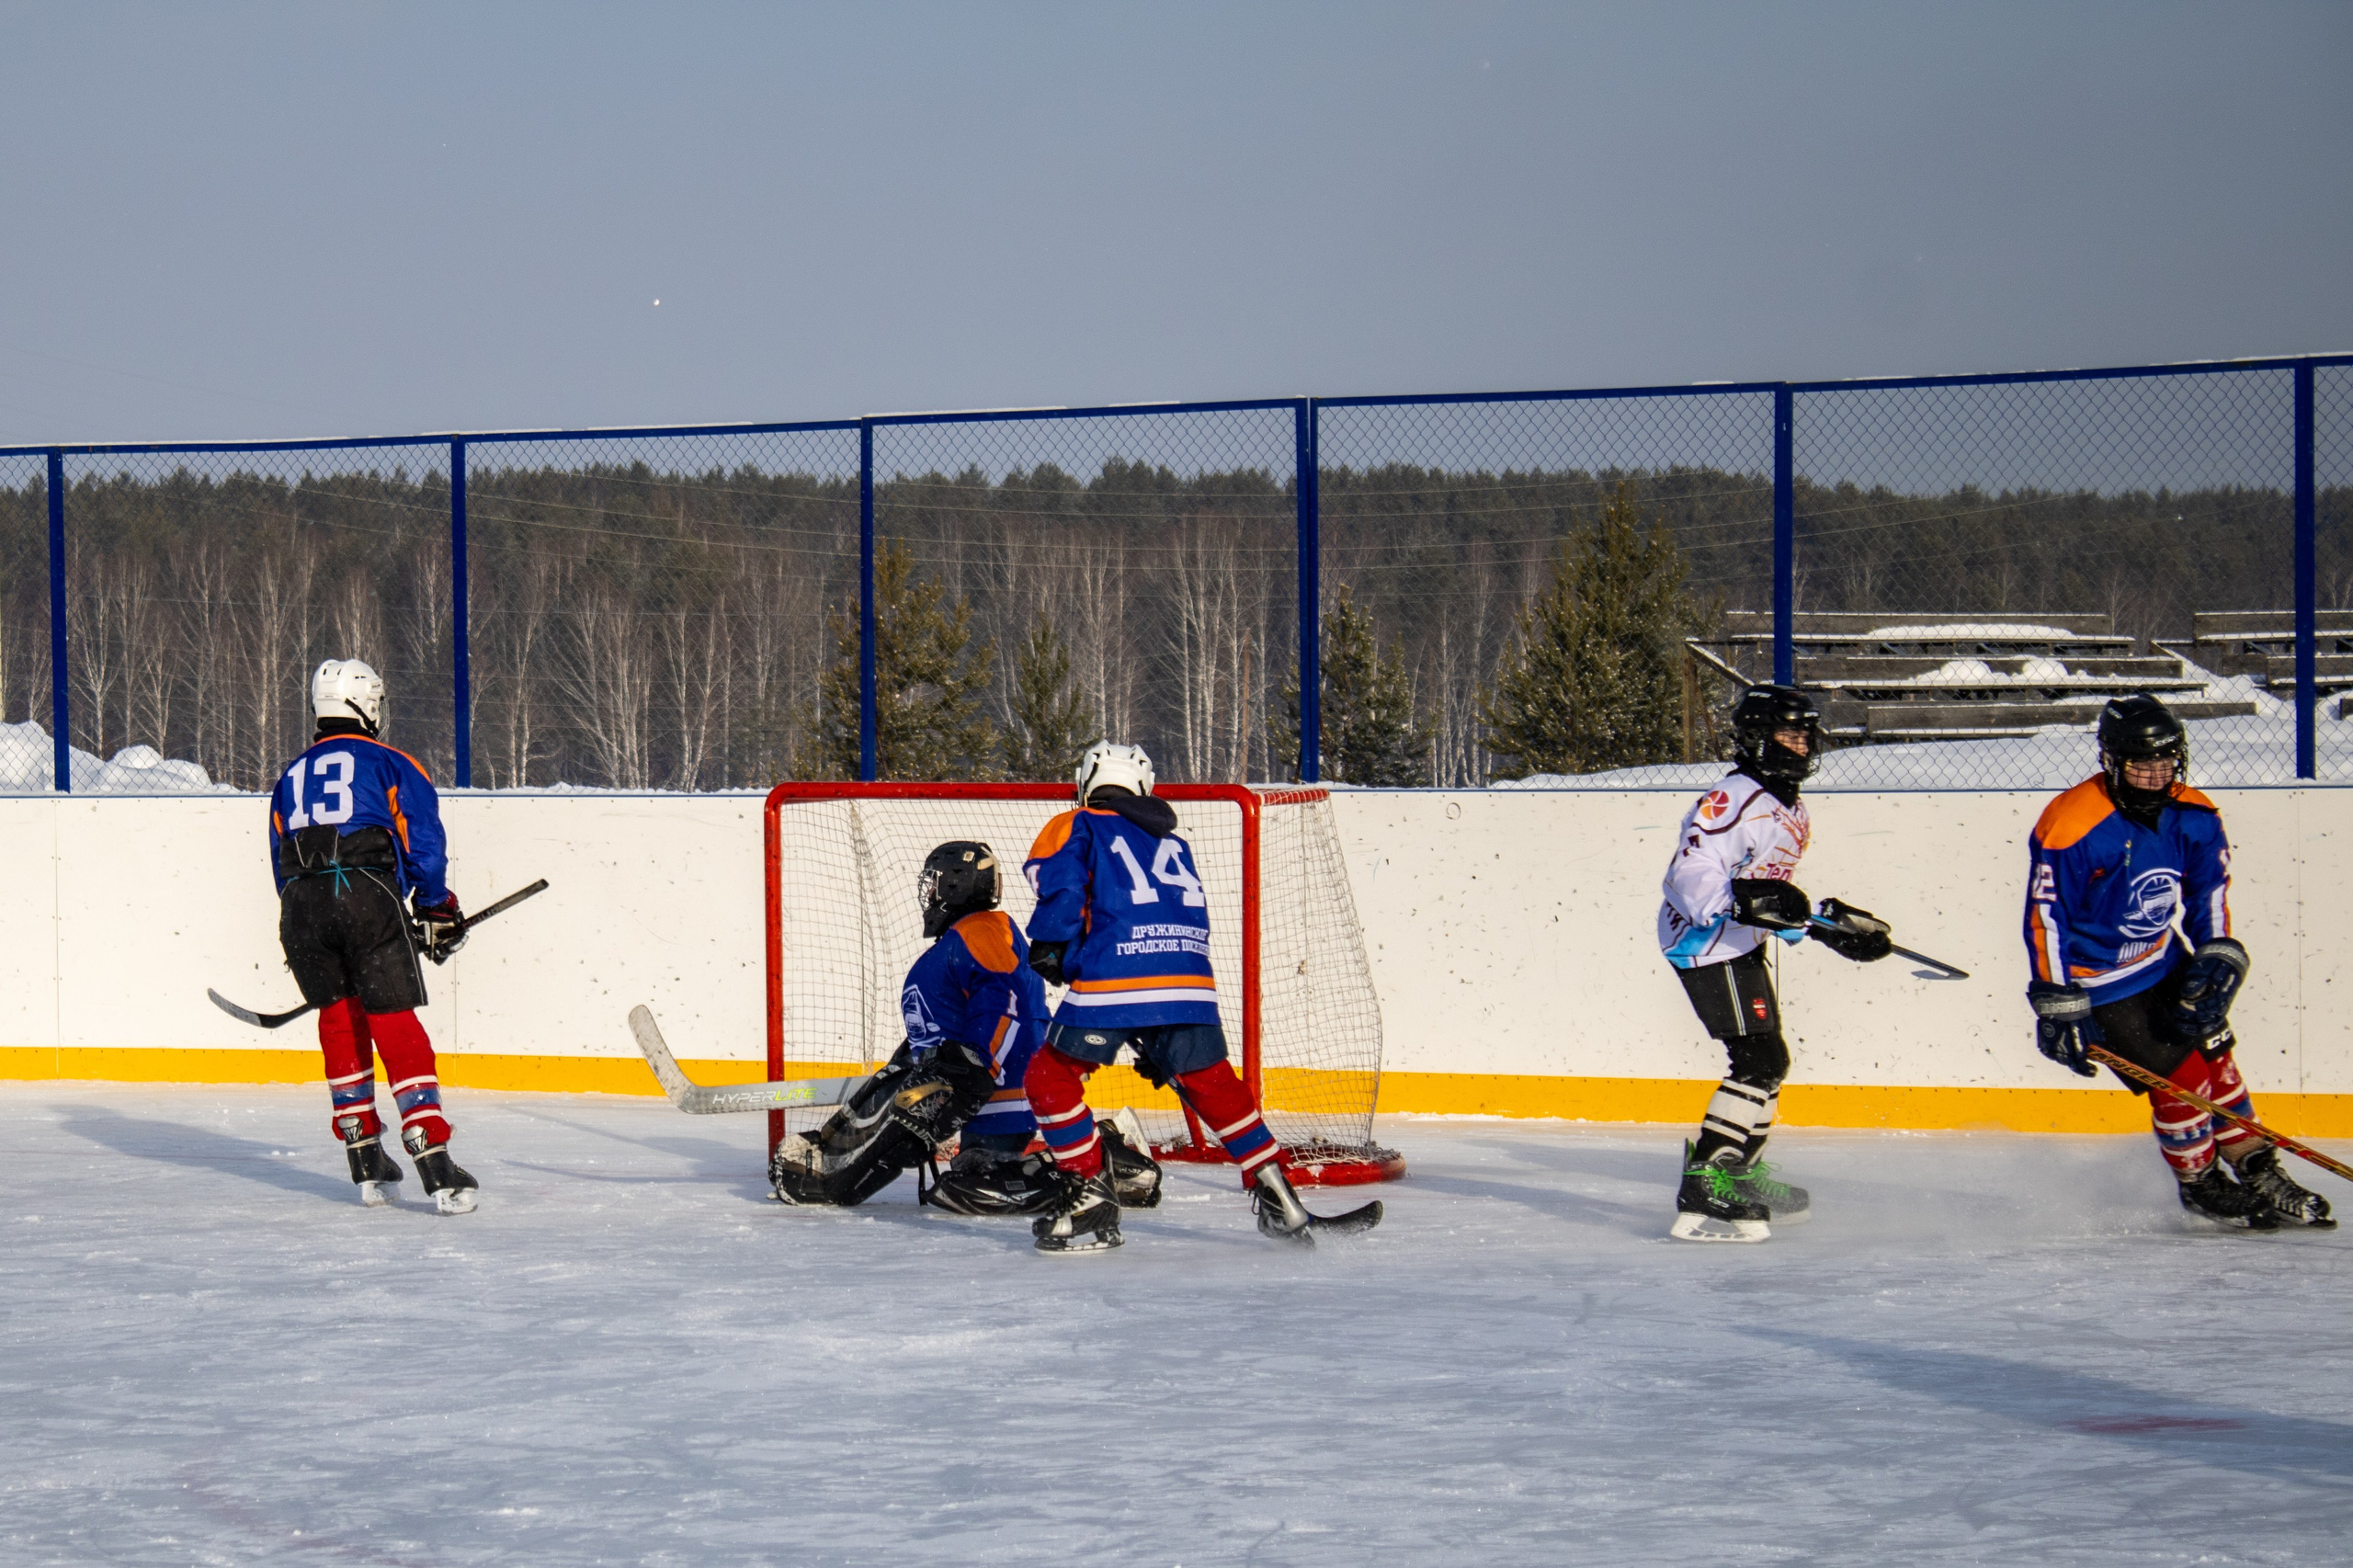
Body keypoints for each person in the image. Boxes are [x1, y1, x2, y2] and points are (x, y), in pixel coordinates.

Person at [1017, 742, 1381, 1254]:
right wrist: (1163, 1024)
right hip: (1189, 978)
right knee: (1210, 1082)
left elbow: (1062, 887)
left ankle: (1090, 1200)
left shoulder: (1076, 822)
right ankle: (1279, 1194)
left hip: (1114, 974)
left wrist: (1055, 945)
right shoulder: (1174, 842)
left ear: (1085, 785)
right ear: (1143, 786)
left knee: (1048, 1078)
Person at [2025, 694, 2332, 1231]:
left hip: (2164, 961)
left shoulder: (2194, 814)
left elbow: (2208, 889)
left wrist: (2216, 951)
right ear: (2111, 761)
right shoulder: (2072, 824)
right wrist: (2057, 1003)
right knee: (2183, 1077)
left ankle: (2255, 1164)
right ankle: (2199, 1182)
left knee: (2218, 1059)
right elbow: (2045, 916)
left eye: (2165, 763)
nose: (2154, 775)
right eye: (2141, 765)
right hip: (2100, 985)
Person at [768, 842, 1164, 1211]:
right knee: (967, 1176)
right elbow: (943, 1026)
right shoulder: (963, 938)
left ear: (956, 884)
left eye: (934, 884)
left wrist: (975, 1060)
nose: (929, 895)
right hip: (978, 1095)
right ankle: (834, 1166)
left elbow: (1002, 998)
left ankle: (1105, 1157)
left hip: (997, 1092)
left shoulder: (982, 930)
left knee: (976, 1182)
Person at [1655, 684, 1893, 1243]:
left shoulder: (1792, 807)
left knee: (1771, 1059)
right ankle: (1707, 1179)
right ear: (1759, 740)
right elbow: (1690, 876)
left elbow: (1770, 896)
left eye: (1807, 732)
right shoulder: (1733, 797)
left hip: (1738, 941)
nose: (1802, 742)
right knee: (1757, 1060)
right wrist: (1739, 902)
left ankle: (1739, 1172)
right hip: (1702, 941)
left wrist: (1827, 929)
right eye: (1790, 732)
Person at [268, 659, 474, 1213]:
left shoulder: (289, 774)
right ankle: (433, 1157)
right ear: (369, 706)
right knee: (391, 1017)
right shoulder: (391, 762)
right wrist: (434, 906)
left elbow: (279, 860)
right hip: (365, 893)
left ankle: (363, 1149)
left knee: (339, 1018)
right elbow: (422, 841)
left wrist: (312, 920)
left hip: (301, 906)